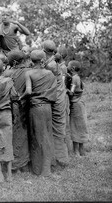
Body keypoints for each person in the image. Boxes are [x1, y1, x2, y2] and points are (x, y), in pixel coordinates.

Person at [20, 50, 57, 177]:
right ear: (42, 60)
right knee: (46, 137)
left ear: (31, 61)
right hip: (47, 108)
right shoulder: (50, 74)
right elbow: (54, 93)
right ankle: (46, 168)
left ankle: (40, 169)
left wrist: (21, 97)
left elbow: (29, 92)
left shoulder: (28, 73)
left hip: (34, 108)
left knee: (37, 137)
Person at [42, 40, 69, 168]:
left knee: (57, 129)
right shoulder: (53, 62)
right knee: (57, 128)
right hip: (59, 98)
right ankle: (59, 157)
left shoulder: (51, 65)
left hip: (57, 99)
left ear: (43, 51)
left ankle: (61, 159)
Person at [3, 49, 30, 172]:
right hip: (25, 106)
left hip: (10, 106)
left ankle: (14, 164)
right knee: (23, 134)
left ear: (13, 62)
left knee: (13, 134)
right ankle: (23, 163)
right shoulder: (29, 72)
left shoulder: (6, 73)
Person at [66, 60, 89, 156]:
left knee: (75, 127)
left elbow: (71, 92)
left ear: (72, 68)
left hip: (76, 105)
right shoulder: (78, 78)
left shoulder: (74, 79)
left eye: (68, 65)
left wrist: (64, 89)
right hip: (80, 104)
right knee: (81, 126)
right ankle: (82, 150)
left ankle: (76, 151)